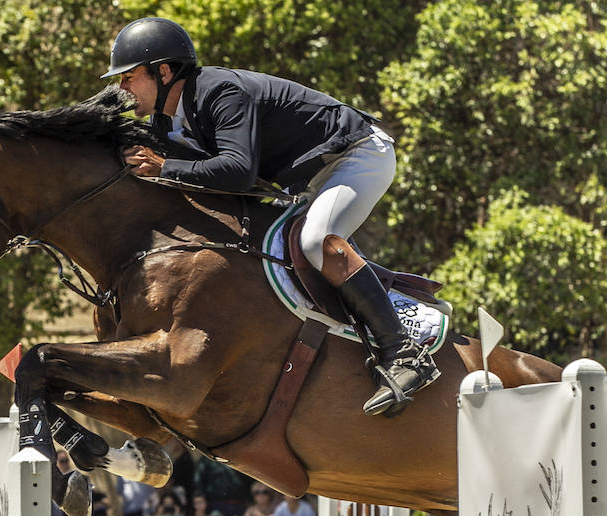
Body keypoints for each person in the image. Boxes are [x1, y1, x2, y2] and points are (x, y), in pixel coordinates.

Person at [103, 17, 439, 416]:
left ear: (163, 72)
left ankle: (404, 353)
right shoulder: (166, 119)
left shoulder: (219, 91)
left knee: (318, 241)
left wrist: (164, 167)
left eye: (128, 77)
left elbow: (237, 171)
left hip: (356, 155)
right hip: (306, 180)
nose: (121, 87)